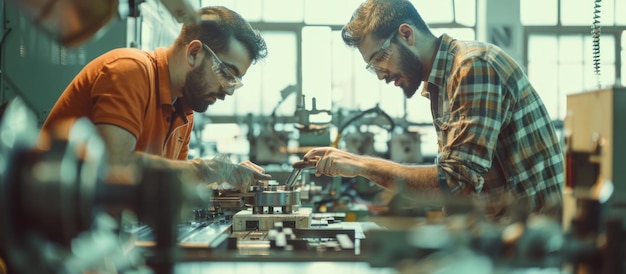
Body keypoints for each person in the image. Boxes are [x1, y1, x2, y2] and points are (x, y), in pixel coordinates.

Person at [294, 0, 563, 218]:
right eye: (372, 67)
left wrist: (361, 165)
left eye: (380, 59)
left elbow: (456, 183)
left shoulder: (473, 66)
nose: (380, 75)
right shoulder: (440, 83)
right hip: (501, 237)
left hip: (533, 247)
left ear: (406, 34)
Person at [41, 6, 271, 190]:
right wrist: (207, 169)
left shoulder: (184, 112)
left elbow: (169, 186)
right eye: (226, 73)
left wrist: (224, 179)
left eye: (235, 82)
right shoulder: (130, 70)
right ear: (193, 53)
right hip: (47, 233)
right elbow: (115, 170)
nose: (228, 91)